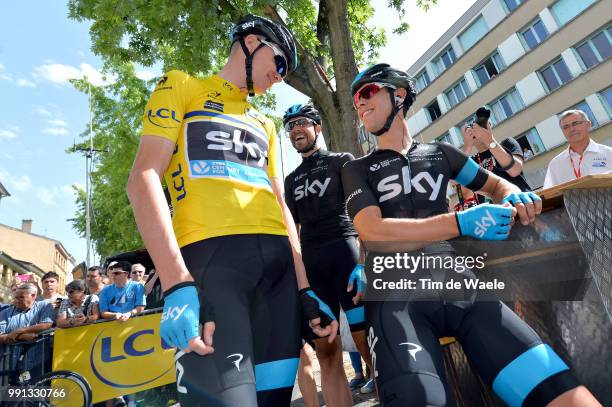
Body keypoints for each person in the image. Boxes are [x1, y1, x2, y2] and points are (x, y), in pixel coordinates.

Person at [342, 63, 601, 407]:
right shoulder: (355, 168)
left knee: (568, 398)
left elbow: (496, 183)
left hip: (460, 287)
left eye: (366, 93)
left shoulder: (441, 153)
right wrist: (460, 223)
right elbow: (372, 232)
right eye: (355, 100)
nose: (359, 104)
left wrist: (512, 195)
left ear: (399, 95)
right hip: (395, 298)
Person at [126, 14, 336, 407]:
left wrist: (304, 287)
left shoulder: (267, 125)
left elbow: (281, 207)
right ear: (252, 42)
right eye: (279, 63)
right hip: (212, 267)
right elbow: (142, 178)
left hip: (278, 276)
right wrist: (175, 283)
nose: (280, 76)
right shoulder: (182, 85)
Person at [283, 103, 375, 403]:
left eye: (301, 123)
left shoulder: (341, 161)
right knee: (326, 350)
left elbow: (364, 212)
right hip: (313, 266)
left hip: (346, 256)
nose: (295, 129)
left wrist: (365, 261)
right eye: (290, 126)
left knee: (367, 342)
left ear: (317, 127)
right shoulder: (290, 179)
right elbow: (291, 230)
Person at [461, 114, 531, 202]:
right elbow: (464, 193)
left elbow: (515, 170)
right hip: (493, 213)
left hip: (522, 204)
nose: (478, 131)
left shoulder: (507, 144)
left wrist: (489, 141)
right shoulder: (471, 161)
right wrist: (467, 147)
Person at [543, 109, 612, 188]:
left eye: (575, 123)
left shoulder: (609, 153)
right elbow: (549, 193)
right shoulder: (555, 164)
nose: (572, 129)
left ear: (588, 125)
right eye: (566, 127)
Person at [0, 283, 55, 381]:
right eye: (16, 297)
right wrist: (23, 337)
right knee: (7, 393)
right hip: (8, 364)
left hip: (35, 364)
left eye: (21, 297)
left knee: (31, 393)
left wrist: (19, 331)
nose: (17, 300)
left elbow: (46, 324)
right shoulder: (5, 312)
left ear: (33, 295)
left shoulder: (44, 305)